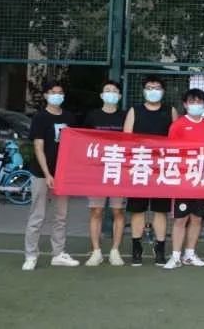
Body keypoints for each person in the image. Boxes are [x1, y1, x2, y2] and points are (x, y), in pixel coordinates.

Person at [22, 81, 79, 270]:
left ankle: (58, 253)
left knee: (60, 216)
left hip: (62, 175)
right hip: (41, 174)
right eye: (53, 92)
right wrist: (47, 174)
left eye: (60, 92)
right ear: (46, 95)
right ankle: (31, 255)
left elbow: (74, 145)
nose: (57, 96)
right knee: (37, 216)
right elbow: (38, 147)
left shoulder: (69, 117)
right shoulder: (40, 117)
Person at [123, 75, 179, 266]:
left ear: (163, 91)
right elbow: (126, 139)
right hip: (139, 165)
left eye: (157, 87)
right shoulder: (135, 111)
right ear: (144, 90)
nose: (153, 91)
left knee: (160, 211)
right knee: (137, 210)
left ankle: (160, 249)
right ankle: (136, 249)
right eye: (149, 87)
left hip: (162, 167)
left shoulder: (170, 111)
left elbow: (177, 139)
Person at [163, 88, 204, 270]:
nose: (196, 105)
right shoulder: (178, 125)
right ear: (185, 104)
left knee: (197, 218)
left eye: (199, 102)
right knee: (180, 219)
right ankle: (175, 256)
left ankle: (189, 254)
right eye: (192, 101)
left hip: (201, 178)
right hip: (183, 179)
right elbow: (170, 151)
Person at [83, 80, 127, 267]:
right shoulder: (92, 116)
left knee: (118, 211)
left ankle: (115, 251)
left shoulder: (125, 116)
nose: (111, 93)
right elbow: (83, 140)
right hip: (97, 170)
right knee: (96, 210)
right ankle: (96, 251)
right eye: (107, 90)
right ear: (102, 95)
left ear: (119, 96)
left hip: (118, 169)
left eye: (114, 91)